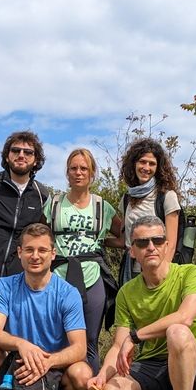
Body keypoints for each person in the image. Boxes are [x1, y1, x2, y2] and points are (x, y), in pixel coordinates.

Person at [87, 216, 196, 390]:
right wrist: (103, 375)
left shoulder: (192, 273)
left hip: (192, 363)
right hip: (152, 367)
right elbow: (117, 345)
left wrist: (135, 337)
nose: (151, 247)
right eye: (142, 243)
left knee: (177, 331)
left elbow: (185, 316)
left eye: (157, 240)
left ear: (167, 245)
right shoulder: (127, 292)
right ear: (132, 251)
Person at [0, 223, 91, 390]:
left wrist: (47, 362)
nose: (35, 256)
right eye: (29, 250)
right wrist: (21, 344)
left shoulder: (69, 293)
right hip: (16, 360)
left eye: (42, 250)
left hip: (53, 364)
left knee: (82, 375)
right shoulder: (5, 286)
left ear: (53, 253)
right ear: (20, 252)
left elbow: (79, 348)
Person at [43, 147, 122, 371]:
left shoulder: (102, 206)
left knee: (89, 339)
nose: (78, 172)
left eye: (84, 168)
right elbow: (39, 233)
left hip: (92, 276)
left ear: (92, 173)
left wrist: (99, 242)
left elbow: (125, 236)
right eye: (73, 168)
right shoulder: (54, 204)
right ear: (67, 173)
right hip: (58, 275)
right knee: (56, 335)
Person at [117, 138, 181, 285]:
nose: (146, 167)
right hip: (130, 267)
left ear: (158, 168)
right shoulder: (127, 198)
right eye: (142, 161)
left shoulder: (166, 196)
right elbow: (124, 239)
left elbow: (170, 243)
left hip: (156, 267)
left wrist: (161, 274)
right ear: (133, 164)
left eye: (152, 164)